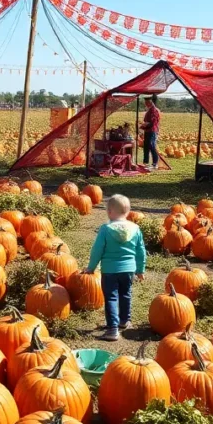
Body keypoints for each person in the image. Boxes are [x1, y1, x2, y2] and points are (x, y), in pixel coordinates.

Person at [85, 194, 146, 342]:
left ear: (110, 211)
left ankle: (112, 329)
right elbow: (141, 251)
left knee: (111, 297)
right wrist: (140, 269)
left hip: (110, 270)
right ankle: (125, 321)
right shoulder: (135, 228)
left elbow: (97, 250)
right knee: (126, 294)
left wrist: (91, 267)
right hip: (129, 270)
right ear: (127, 212)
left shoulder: (106, 229)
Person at [141, 95, 160, 170]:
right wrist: (142, 126)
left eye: (147, 102)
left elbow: (153, 122)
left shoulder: (154, 110)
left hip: (152, 131)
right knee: (146, 146)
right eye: (145, 102)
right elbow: (147, 121)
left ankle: (155, 163)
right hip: (147, 130)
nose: (145, 103)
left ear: (151, 101)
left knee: (152, 146)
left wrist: (144, 125)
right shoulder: (149, 110)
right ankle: (146, 162)